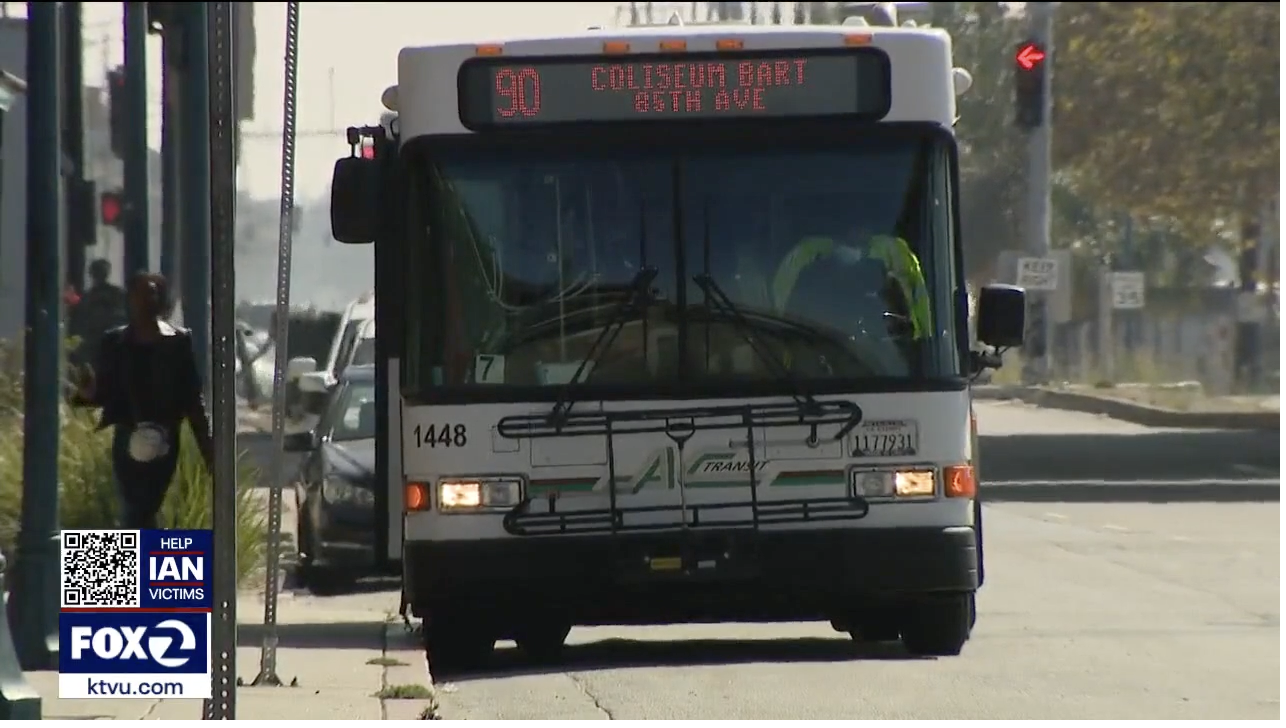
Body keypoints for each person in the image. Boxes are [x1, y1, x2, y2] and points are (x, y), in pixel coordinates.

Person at [72, 272, 215, 529]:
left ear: (160, 299)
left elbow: (192, 397)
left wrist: (209, 452)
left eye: (152, 292)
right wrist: (87, 392)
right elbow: (102, 393)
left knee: (145, 508)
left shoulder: (177, 342)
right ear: (130, 300)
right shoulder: (114, 342)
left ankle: (139, 562)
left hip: (164, 439)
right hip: (127, 436)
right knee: (133, 510)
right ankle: (142, 562)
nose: (146, 299)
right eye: (140, 293)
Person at [773, 224, 932, 340]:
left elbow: (921, 317)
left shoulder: (895, 255)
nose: (857, 232)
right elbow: (783, 323)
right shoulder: (807, 259)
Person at [69, 259, 128, 368]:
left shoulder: (87, 298)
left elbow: (77, 326)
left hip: (99, 348)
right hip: (106, 348)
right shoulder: (118, 294)